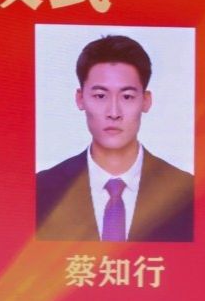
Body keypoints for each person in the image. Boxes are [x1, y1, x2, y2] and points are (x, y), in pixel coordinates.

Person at [35, 33, 194, 242]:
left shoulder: (187, 192)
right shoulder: (41, 190)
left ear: (146, 101)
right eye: (100, 96)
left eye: (127, 96)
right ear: (80, 99)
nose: (113, 112)